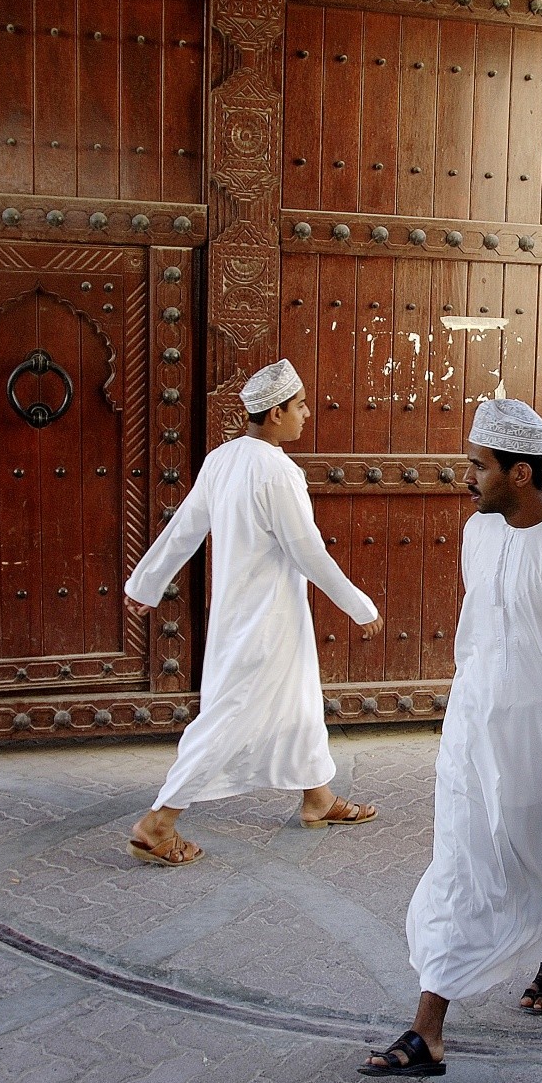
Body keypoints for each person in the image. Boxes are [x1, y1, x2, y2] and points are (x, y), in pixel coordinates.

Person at [359, 398, 542, 1078]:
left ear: (520, 473)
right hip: (473, 734)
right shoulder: (476, 533)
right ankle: (427, 1031)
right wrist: (462, 719)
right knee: (463, 867)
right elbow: (478, 636)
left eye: (478, 466)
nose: (466, 477)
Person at [124, 359, 384, 867]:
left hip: (247, 615)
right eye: (300, 406)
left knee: (299, 701)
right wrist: (359, 606)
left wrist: (145, 583)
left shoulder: (222, 459)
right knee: (230, 716)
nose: (306, 414)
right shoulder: (278, 472)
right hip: (266, 623)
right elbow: (308, 552)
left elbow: (184, 528)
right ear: (275, 412)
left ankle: (318, 798)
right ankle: (158, 822)